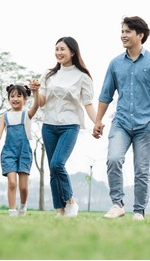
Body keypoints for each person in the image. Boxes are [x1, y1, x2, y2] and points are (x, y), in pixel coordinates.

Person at [92, 16, 150, 221]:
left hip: (146, 126)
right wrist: (98, 121)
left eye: (128, 32)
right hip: (122, 123)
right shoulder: (115, 63)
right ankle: (117, 204)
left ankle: (139, 211)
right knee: (113, 159)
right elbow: (105, 95)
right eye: (122, 31)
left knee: (142, 171)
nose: (123, 35)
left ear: (140, 35)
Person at [33, 36, 97, 218]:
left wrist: (97, 122)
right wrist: (35, 91)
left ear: (72, 52)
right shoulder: (48, 74)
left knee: (57, 163)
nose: (59, 52)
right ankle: (59, 211)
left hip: (70, 125)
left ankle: (70, 201)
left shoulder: (82, 77)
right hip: (49, 125)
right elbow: (41, 103)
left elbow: (88, 104)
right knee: (53, 170)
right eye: (57, 49)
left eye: (62, 49)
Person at [0, 84, 39, 217]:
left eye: (19, 96)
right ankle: (12, 211)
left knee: (23, 187)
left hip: (24, 152)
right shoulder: (5, 116)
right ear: (8, 98)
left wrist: (36, 91)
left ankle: (22, 206)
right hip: (9, 153)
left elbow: (37, 105)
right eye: (12, 96)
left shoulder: (26, 115)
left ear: (25, 99)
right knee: (11, 182)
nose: (15, 99)